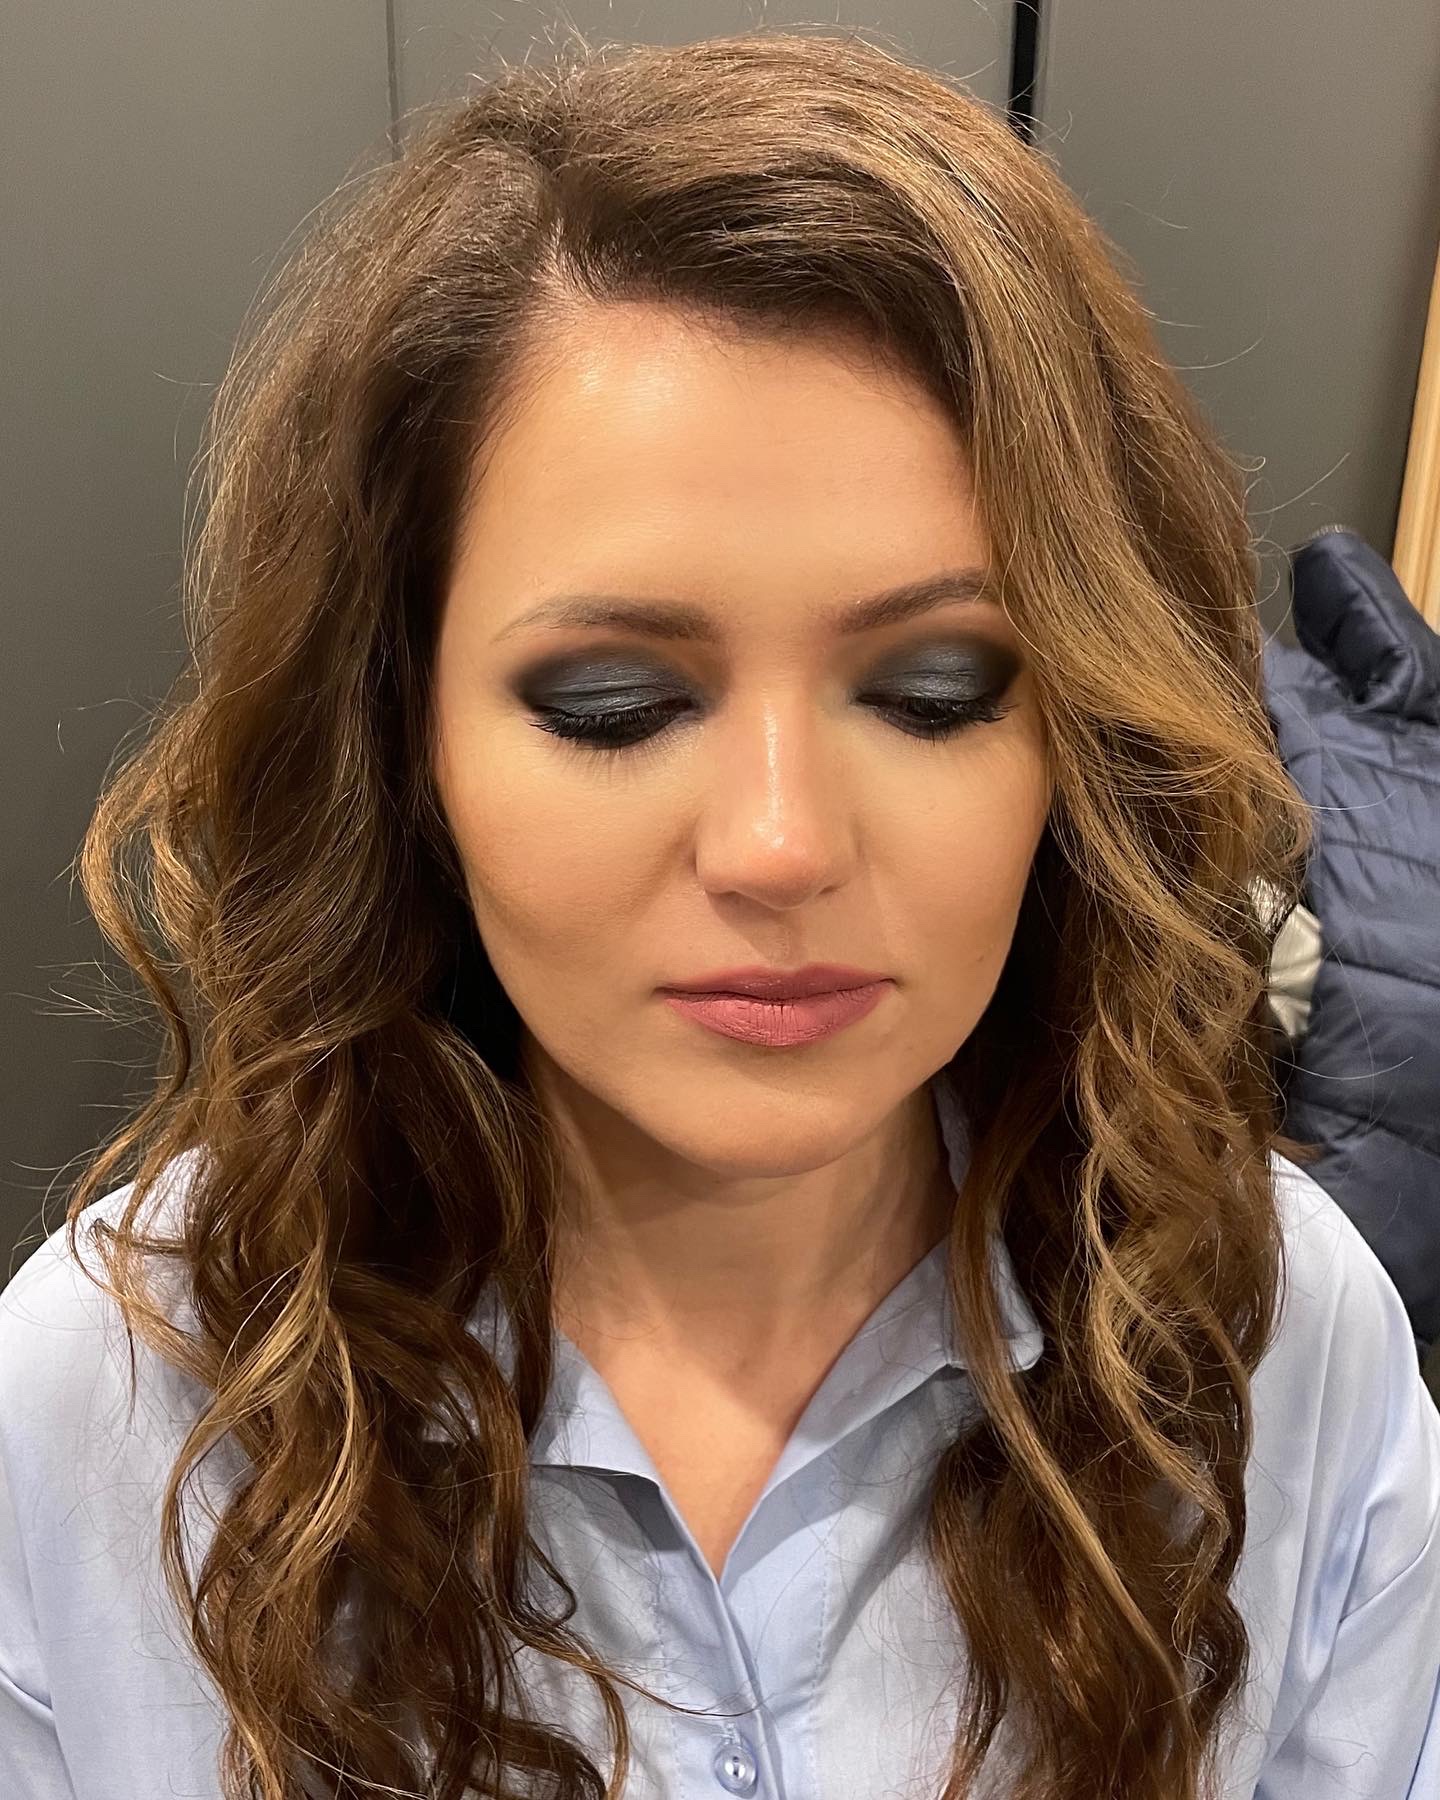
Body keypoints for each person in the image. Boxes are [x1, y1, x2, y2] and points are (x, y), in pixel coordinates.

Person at [2, 28, 1437, 1800]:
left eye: (932, 692)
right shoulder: (102, 1402)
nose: (779, 844)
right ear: (405, 742)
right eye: (614, 705)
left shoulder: (1283, 1338)